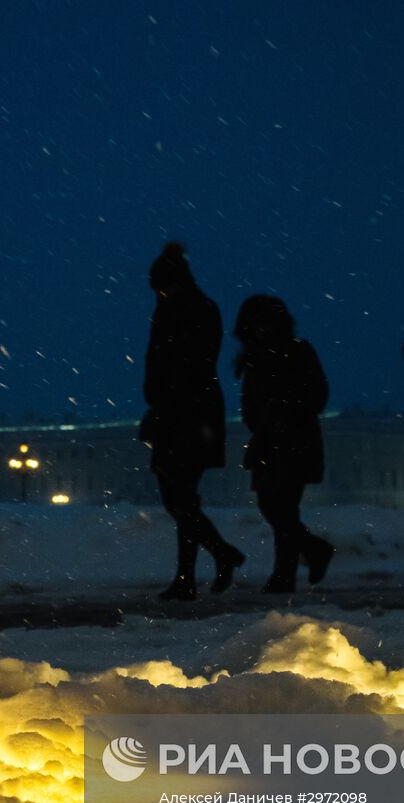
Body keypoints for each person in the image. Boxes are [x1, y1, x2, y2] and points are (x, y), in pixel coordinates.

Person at [140, 243, 244, 600]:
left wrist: (161, 406)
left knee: (179, 498)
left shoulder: (180, 311)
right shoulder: (195, 308)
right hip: (190, 413)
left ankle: (201, 567)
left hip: (183, 415)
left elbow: (178, 366)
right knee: (182, 498)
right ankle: (203, 565)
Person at [233, 295, 336, 593]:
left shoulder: (298, 351)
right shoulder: (256, 357)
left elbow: (318, 394)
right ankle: (311, 551)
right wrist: (258, 422)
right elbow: (250, 401)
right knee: (273, 506)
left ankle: (284, 575)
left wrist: (286, 413)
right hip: (269, 442)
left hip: (293, 441)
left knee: (284, 507)